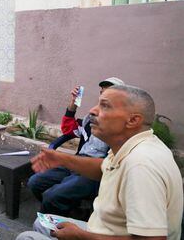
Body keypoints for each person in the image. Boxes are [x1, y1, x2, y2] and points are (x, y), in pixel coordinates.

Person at [17, 85, 183, 240]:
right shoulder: (130, 145)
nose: (92, 111)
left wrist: (81, 236)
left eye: (105, 106)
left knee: (26, 237)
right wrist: (62, 158)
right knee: (42, 222)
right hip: (103, 228)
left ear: (133, 120)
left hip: (100, 235)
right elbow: (103, 168)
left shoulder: (141, 166)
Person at [27, 77, 124, 217]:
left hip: (94, 172)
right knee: (35, 182)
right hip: (75, 162)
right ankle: (65, 213)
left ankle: (52, 221)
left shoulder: (120, 127)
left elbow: (111, 166)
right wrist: (73, 103)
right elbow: (68, 129)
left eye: (109, 94)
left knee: (51, 196)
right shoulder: (91, 118)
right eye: (102, 93)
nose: (103, 97)